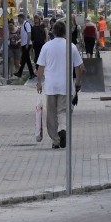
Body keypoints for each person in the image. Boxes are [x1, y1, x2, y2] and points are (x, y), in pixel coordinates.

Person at [36, 21, 85, 149]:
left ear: (53, 31)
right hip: (66, 85)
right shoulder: (71, 46)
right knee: (63, 111)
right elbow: (80, 68)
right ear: (65, 32)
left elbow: (40, 67)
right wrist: (78, 82)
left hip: (51, 85)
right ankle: (63, 129)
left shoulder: (46, 46)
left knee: (51, 113)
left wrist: (39, 83)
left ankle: (55, 140)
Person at [14, 13, 36, 79]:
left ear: (21, 18)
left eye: (18, 19)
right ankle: (20, 73)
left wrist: (27, 44)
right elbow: (23, 35)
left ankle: (32, 74)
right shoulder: (23, 25)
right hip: (24, 44)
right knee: (24, 59)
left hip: (27, 44)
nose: (18, 20)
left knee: (27, 60)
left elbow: (29, 34)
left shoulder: (26, 24)